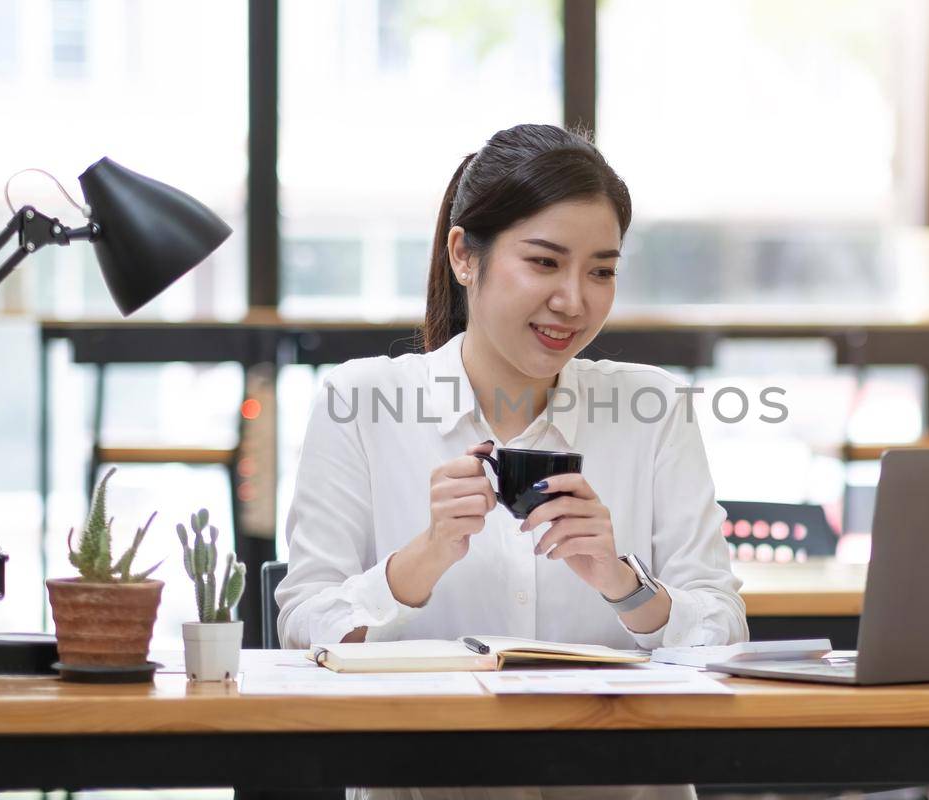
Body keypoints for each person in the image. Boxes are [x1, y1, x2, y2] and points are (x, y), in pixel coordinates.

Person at [275, 123, 747, 800]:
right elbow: (304, 628)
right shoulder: (359, 404)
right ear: (465, 255)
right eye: (545, 262)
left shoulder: (655, 407)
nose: (575, 301)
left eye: (602, 271)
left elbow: (722, 626)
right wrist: (424, 560)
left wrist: (623, 583)